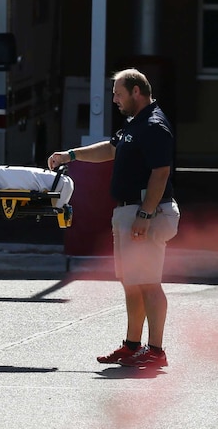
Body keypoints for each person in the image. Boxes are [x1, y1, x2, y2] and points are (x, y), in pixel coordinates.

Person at [47, 68, 180, 369]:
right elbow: (110, 149)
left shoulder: (155, 125)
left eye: (119, 94)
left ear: (137, 92)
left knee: (148, 283)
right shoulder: (135, 123)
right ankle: (132, 346)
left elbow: (161, 174)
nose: (115, 100)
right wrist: (71, 155)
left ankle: (156, 351)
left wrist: (145, 214)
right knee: (132, 283)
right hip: (129, 211)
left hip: (145, 212)